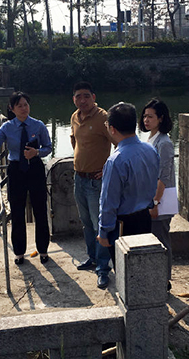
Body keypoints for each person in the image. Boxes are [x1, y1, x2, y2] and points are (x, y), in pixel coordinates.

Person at [0, 92, 52, 266]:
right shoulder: (7, 127)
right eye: (19, 106)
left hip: (35, 168)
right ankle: (19, 252)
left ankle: (43, 250)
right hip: (16, 170)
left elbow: (48, 147)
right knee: (17, 212)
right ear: (12, 108)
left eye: (26, 104)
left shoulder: (38, 125)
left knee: (40, 210)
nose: (23, 108)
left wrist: (37, 152)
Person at [97, 102, 159, 288]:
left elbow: (108, 202)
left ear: (112, 129)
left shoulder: (116, 161)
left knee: (126, 274)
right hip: (144, 217)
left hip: (123, 224)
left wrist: (103, 231)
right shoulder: (150, 150)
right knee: (143, 267)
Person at [70, 82, 114, 288]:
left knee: (100, 225)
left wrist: (107, 168)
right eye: (78, 96)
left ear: (94, 97)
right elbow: (74, 141)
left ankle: (103, 269)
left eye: (86, 96)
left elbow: (119, 143)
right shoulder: (74, 117)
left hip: (97, 181)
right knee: (86, 222)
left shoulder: (104, 118)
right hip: (79, 178)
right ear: (74, 99)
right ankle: (92, 258)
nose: (83, 100)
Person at [139, 98, 176, 290]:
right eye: (145, 116)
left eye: (151, 117)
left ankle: (164, 281)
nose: (146, 120)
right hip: (151, 198)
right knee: (154, 238)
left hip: (160, 200)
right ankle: (156, 279)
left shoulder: (164, 142)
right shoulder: (151, 139)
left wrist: (155, 202)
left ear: (161, 118)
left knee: (161, 240)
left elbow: (164, 176)